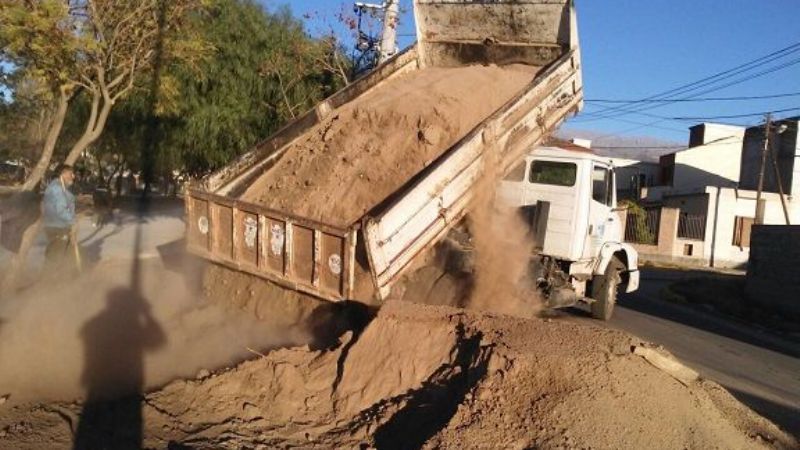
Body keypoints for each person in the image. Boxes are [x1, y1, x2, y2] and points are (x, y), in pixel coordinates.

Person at [42, 164, 77, 269]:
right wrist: (73, 222)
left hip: (56, 226)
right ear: (64, 174)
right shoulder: (57, 189)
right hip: (58, 227)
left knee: (56, 254)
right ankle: (51, 280)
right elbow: (61, 210)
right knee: (56, 256)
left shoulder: (58, 187)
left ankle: (53, 278)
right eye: (71, 173)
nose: (73, 176)